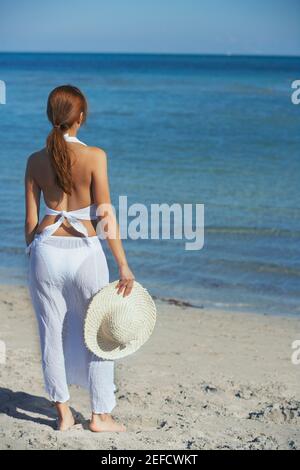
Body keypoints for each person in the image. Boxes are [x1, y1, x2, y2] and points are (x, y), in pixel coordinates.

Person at [24, 85, 134, 432]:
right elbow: (105, 215)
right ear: (81, 119)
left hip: (46, 250)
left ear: (50, 116)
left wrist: (34, 251)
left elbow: (30, 221)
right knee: (98, 333)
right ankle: (100, 415)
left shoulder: (34, 160)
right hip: (85, 253)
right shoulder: (95, 157)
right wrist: (122, 264)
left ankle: (64, 414)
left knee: (51, 333)